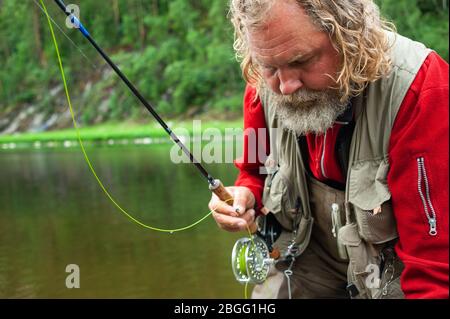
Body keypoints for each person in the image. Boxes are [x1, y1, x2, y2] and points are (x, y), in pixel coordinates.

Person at [208, 0, 449, 299]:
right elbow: (253, 169)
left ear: (349, 36)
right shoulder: (264, 77)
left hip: (387, 274)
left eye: (301, 61)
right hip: (304, 258)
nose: (284, 86)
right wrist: (247, 194)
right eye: (269, 66)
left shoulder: (420, 89)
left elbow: (433, 270)